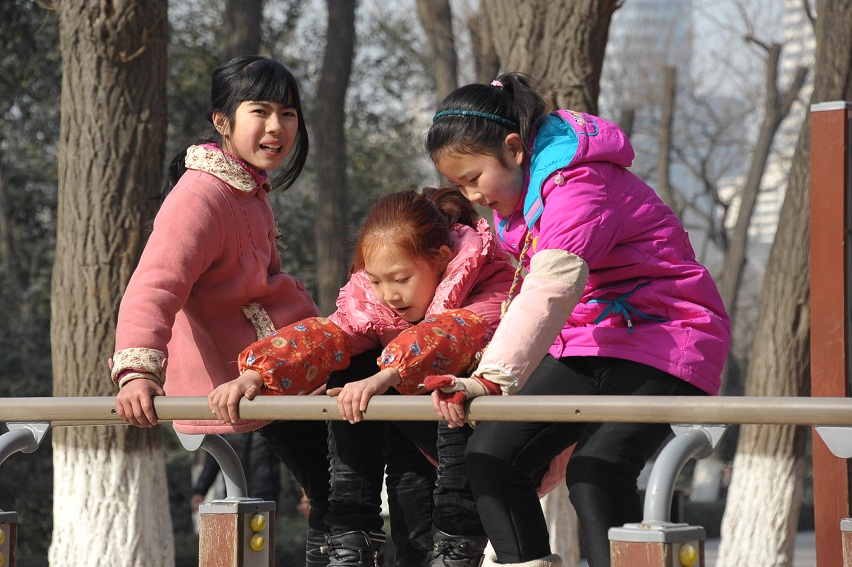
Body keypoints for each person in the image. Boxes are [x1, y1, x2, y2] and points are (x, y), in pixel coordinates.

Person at [422, 73, 732, 567]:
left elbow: (551, 289)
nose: (472, 194)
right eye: (459, 184)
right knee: (491, 456)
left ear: (514, 148)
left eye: (473, 178)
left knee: (597, 469)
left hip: (668, 337)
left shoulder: (579, 187)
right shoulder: (522, 205)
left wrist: (492, 378)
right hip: (590, 341)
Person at [215, 187, 518, 566]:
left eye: (401, 279)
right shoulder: (375, 301)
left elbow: (455, 333)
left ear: (442, 259)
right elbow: (327, 335)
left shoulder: (490, 280)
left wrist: (388, 373)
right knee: (412, 542)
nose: (389, 294)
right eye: (376, 281)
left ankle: (457, 543)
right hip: (415, 439)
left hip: (487, 443)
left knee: (424, 381)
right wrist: (257, 373)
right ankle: (351, 535)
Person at [110, 55, 332, 566]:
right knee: (339, 495)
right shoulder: (201, 195)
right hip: (255, 375)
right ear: (222, 121)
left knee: (348, 485)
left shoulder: (245, 187)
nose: (277, 127)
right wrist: (138, 372)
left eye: (289, 114)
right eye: (261, 111)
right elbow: (155, 284)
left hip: (291, 362)